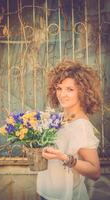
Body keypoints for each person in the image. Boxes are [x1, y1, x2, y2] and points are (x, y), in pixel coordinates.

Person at [37, 60, 102, 200]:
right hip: (45, 193)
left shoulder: (81, 126)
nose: (62, 94)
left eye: (69, 89)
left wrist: (63, 157)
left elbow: (95, 172)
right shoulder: (58, 118)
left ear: (83, 92)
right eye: (59, 88)